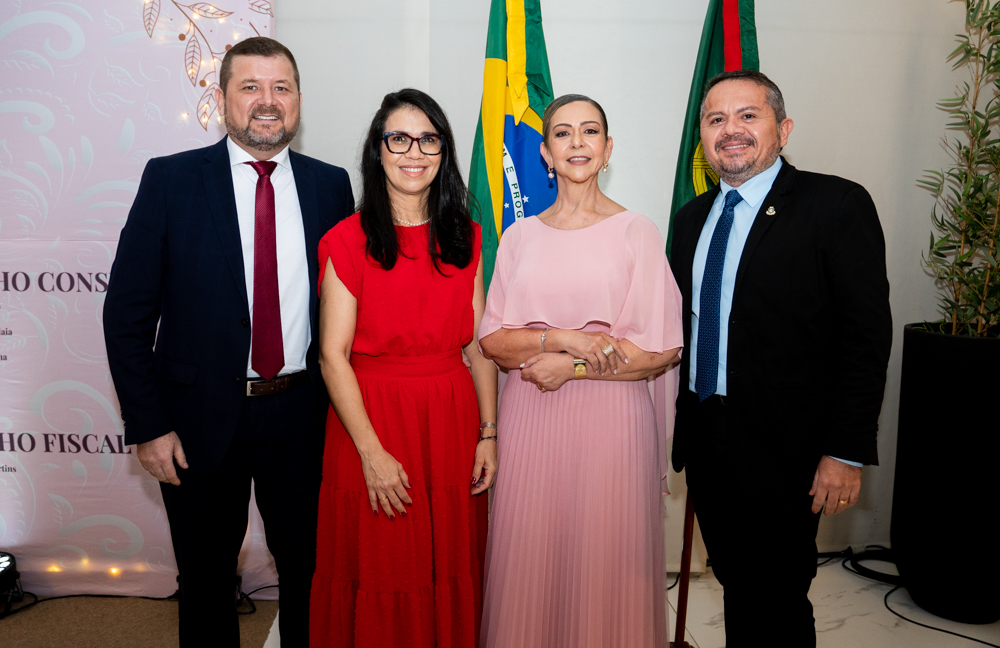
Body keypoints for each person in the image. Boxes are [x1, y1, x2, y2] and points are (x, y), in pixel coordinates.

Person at [103, 37, 354, 647]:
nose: (267, 101)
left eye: (281, 87)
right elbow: (127, 313)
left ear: (298, 100)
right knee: (207, 581)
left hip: (304, 417)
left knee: (311, 574)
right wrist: (148, 425)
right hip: (195, 422)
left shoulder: (331, 186)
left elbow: (346, 311)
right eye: (250, 87)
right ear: (221, 101)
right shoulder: (171, 180)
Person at [670, 70, 892, 647]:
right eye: (716, 119)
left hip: (789, 448)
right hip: (707, 437)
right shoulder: (691, 220)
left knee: (779, 592)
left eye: (748, 115)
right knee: (738, 580)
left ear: (784, 128)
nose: (731, 130)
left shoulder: (836, 204)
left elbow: (865, 338)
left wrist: (844, 451)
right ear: (703, 137)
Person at [477, 94, 683, 648]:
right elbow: (493, 341)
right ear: (545, 153)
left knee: (606, 559)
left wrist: (569, 367)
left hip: (612, 426)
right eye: (563, 133)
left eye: (590, 131)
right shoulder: (519, 237)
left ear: (607, 148)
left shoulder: (637, 231)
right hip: (530, 422)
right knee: (531, 558)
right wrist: (567, 338)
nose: (577, 143)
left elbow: (660, 350)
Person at [309, 89, 497, 648]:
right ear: (378, 150)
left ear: (443, 151)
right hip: (371, 423)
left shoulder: (465, 236)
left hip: (451, 423)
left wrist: (489, 433)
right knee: (384, 564)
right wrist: (372, 453)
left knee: (449, 565)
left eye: (428, 139)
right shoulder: (346, 240)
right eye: (399, 139)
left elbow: (477, 346)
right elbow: (332, 356)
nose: (414, 152)